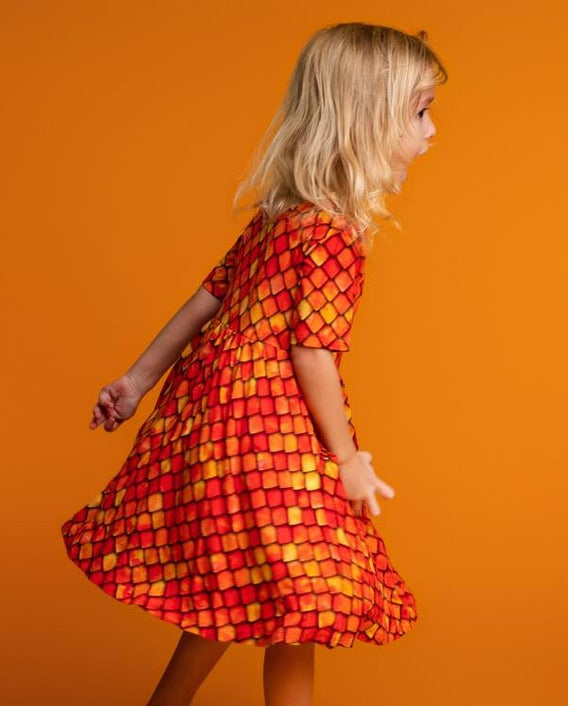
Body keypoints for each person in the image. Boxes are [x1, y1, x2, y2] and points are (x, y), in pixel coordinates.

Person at [61, 23, 445, 706]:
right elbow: (311, 351)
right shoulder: (330, 235)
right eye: (418, 112)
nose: (430, 132)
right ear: (366, 121)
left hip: (209, 422)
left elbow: (206, 297)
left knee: (249, 583)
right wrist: (348, 458)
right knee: (298, 590)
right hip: (270, 435)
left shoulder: (281, 215)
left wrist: (137, 380)